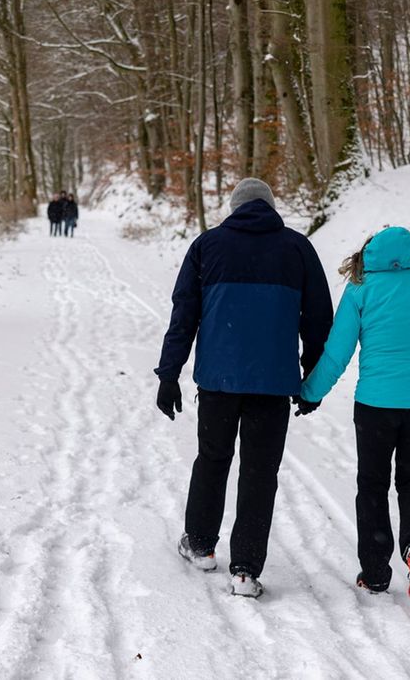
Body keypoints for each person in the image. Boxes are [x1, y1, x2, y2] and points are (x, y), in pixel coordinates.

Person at [155, 178, 333, 598]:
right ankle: (245, 571)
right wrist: (311, 377)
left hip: (218, 381)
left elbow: (184, 315)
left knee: (213, 460)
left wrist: (169, 374)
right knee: (260, 472)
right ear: (271, 207)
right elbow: (318, 318)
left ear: (234, 207)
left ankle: (201, 545)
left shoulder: (208, 246)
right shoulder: (297, 248)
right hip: (273, 383)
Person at [297, 226, 410, 602]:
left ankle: (374, 572)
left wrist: (310, 393)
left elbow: (337, 352)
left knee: (372, 484)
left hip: (376, 406)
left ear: (368, 254)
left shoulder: (361, 288)